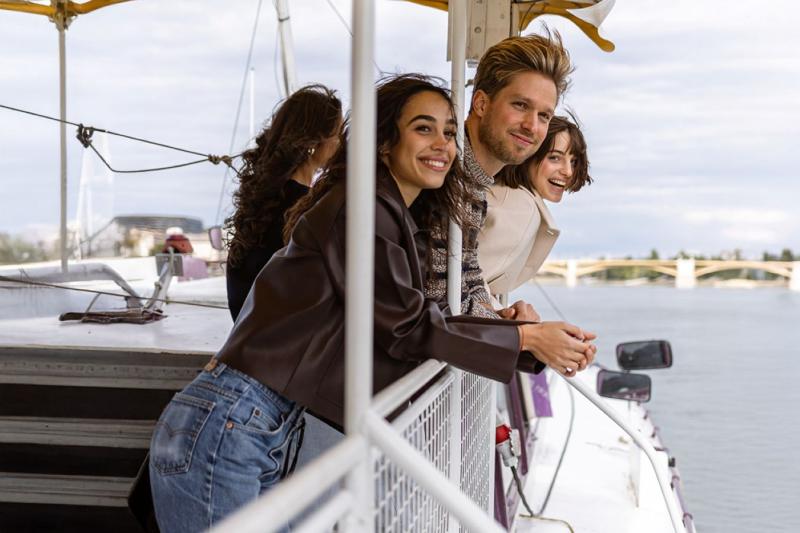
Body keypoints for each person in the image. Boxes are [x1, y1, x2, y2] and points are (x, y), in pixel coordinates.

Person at [148, 74, 595, 532]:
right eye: (423, 128)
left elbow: (412, 315)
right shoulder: (358, 209)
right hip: (233, 424)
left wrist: (519, 338)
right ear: (384, 142)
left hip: (257, 427)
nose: (442, 143)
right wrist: (524, 338)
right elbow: (406, 327)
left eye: (446, 130)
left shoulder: (390, 216)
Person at [414, 30, 594, 373]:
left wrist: (509, 322)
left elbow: (462, 290)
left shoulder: (474, 186)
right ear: (481, 103)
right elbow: (436, 305)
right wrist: (529, 336)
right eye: (520, 105)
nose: (532, 126)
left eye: (544, 115)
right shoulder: (446, 176)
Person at [225, 84, 342, 321]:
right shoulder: (305, 207)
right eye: (337, 134)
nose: (340, 143)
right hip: (284, 342)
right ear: (313, 142)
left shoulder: (265, 198)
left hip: (250, 336)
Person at [479, 115, 592, 300]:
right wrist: (519, 327)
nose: (568, 171)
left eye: (573, 161)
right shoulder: (520, 207)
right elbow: (462, 285)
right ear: (528, 156)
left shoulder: (505, 194)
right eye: (555, 158)